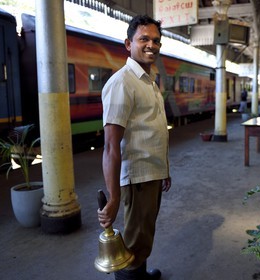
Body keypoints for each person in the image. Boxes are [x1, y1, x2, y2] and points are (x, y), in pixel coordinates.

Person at [98, 15, 171, 280]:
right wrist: (114, 197)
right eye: (144, 39)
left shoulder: (148, 82)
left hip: (152, 173)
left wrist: (165, 169)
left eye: (156, 40)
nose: (151, 44)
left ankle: (139, 274)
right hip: (138, 177)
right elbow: (110, 145)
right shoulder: (123, 83)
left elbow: (153, 131)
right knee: (133, 241)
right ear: (128, 44)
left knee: (143, 234)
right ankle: (133, 276)